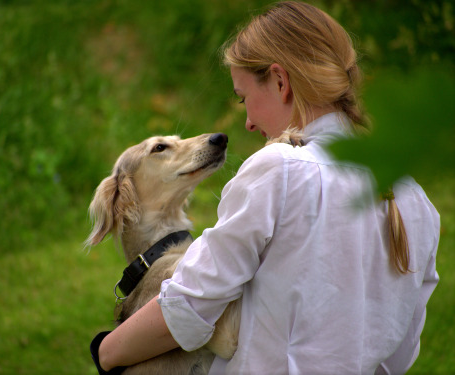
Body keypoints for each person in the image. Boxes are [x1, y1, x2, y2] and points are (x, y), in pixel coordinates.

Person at [91, 2, 440, 374]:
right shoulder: (415, 200)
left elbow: (191, 308)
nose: (248, 123)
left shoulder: (278, 169)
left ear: (279, 81)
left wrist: (105, 351)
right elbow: (400, 354)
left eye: (244, 99)